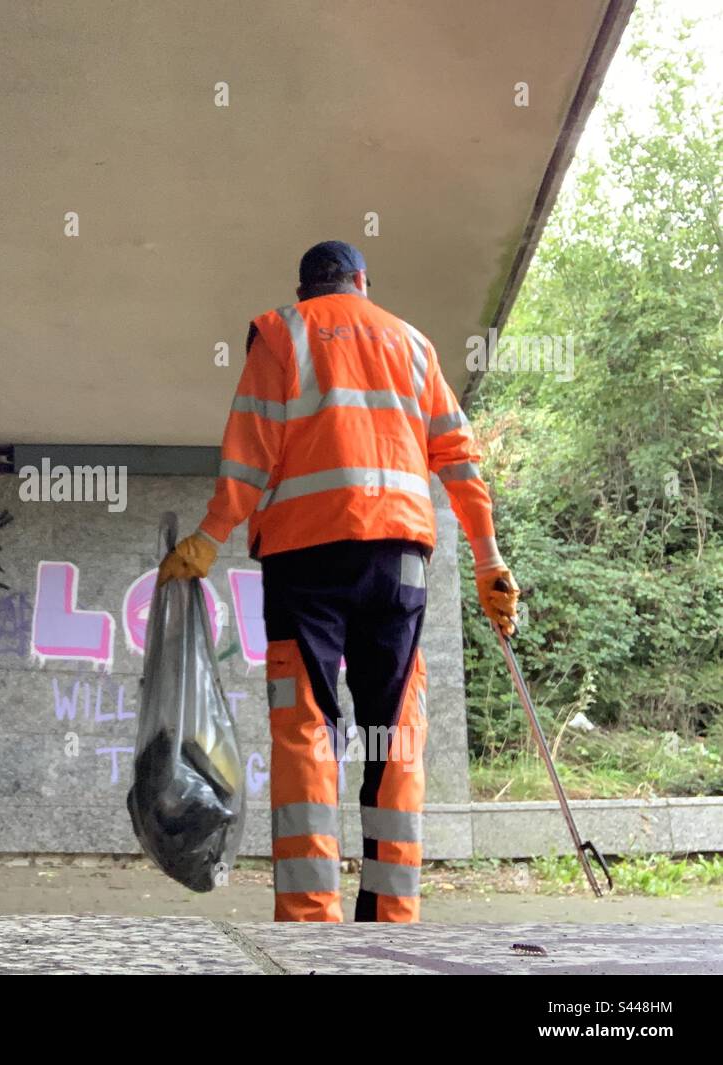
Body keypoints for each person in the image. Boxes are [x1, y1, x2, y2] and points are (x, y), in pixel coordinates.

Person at [158, 240, 519, 922]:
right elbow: (461, 459)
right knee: (396, 731)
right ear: (362, 282)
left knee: (306, 729)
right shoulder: (412, 344)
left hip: (305, 562)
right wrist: (488, 559)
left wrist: (209, 539)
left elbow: (249, 453)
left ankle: (310, 920)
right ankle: (389, 915)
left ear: (304, 290)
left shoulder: (282, 332)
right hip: (398, 565)